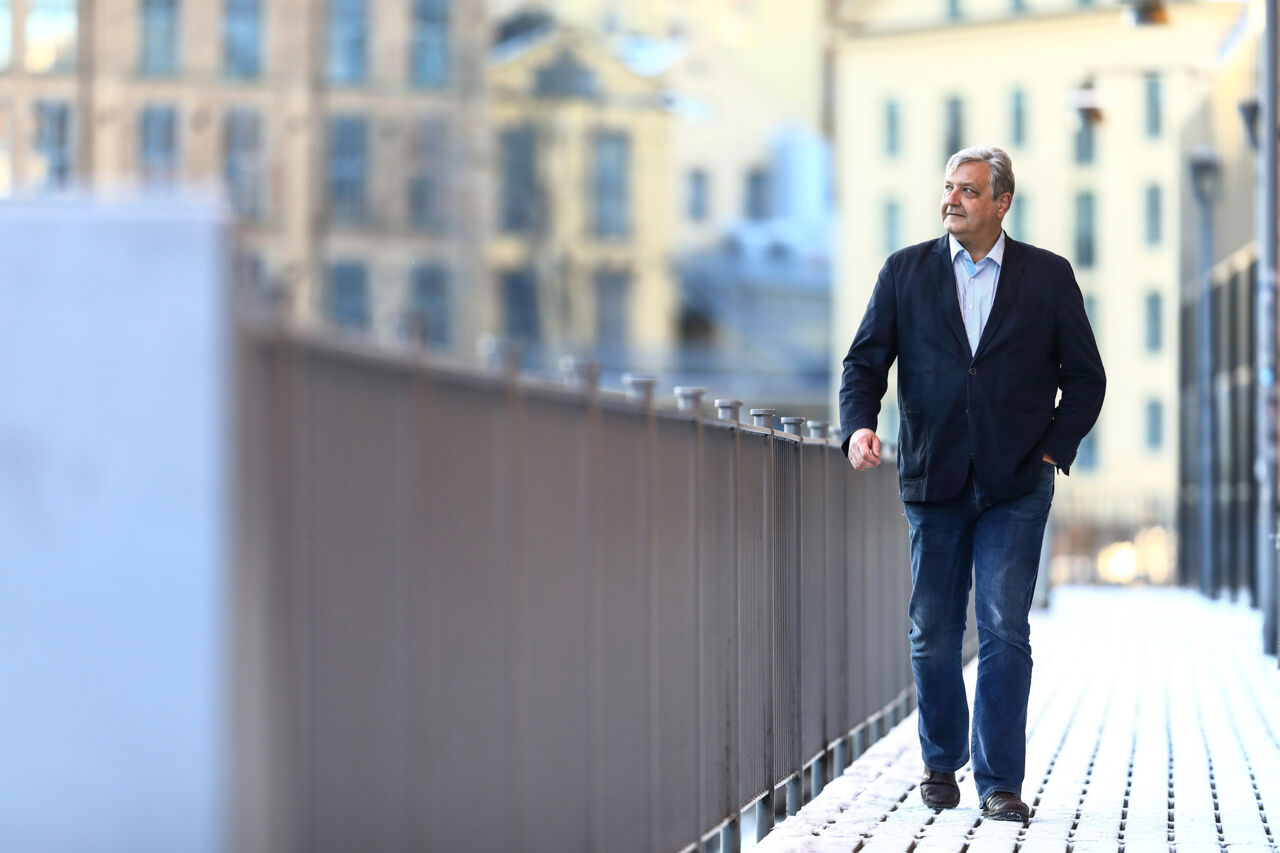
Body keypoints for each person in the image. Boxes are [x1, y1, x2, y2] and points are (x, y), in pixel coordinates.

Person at [839, 145, 1105, 822]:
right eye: (948, 188)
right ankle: (939, 761)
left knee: (1002, 628)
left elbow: (1086, 378)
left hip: (1017, 484)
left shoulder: (1047, 277)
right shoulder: (904, 273)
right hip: (934, 477)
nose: (950, 200)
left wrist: (1052, 450)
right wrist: (857, 427)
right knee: (931, 630)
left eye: (967, 190)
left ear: (1001, 201)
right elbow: (864, 362)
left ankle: (999, 781)